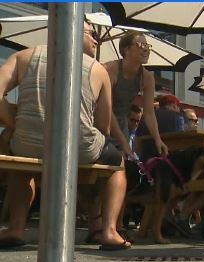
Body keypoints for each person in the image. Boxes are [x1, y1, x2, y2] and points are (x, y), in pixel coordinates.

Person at [0, 21, 131, 250]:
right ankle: (109, 231)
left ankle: (15, 228)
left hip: (27, 142)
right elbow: (103, 127)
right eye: (92, 34)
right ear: (71, 30)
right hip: (78, 146)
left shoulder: (22, 57)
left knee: (22, 164)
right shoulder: (98, 69)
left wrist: (13, 121)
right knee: (118, 164)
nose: (96, 40)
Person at [103, 31, 168, 160]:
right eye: (140, 45)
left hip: (121, 125)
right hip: (101, 124)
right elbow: (106, 110)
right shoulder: (110, 70)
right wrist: (124, 143)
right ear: (126, 50)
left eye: (147, 46)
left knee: (120, 170)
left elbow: (149, 113)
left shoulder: (147, 77)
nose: (146, 50)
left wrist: (157, 139)